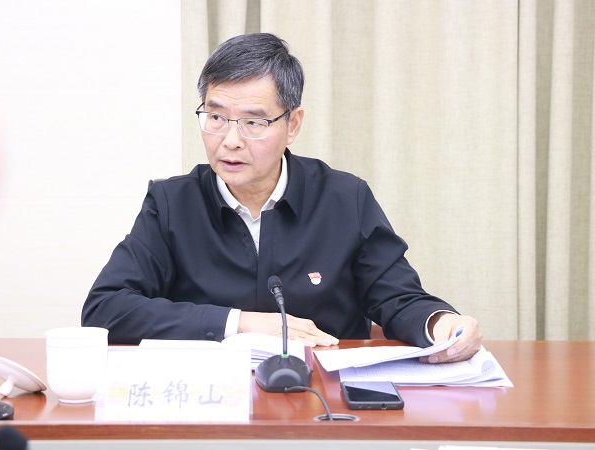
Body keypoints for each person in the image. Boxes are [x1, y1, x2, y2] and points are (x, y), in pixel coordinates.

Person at [82, 33, 482, 363]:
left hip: (323, 401)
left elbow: (397, 297)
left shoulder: (344, 198)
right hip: (213, 402)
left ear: (292, 124)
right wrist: (239, 323)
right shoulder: (172, 203)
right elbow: (105, 309)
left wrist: (441, 324)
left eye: (254, 122)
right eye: (216, 117)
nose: (230, 140)